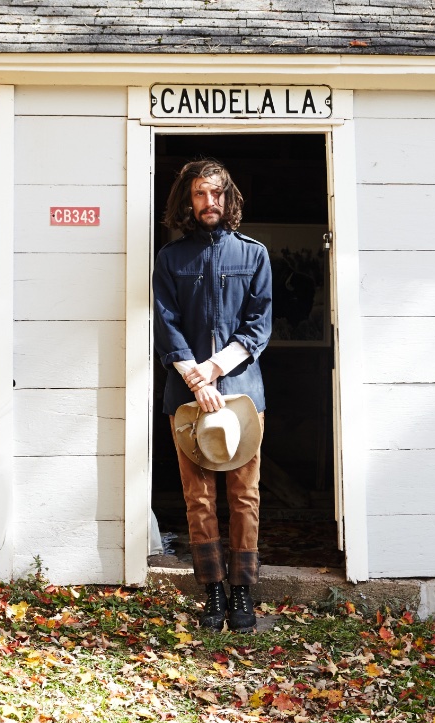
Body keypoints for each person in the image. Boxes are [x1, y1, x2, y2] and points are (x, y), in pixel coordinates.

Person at [153, 159, 272, 633]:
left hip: (243, 395)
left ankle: (242, 588)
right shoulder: (171, 258)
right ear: (188, 199)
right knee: (198, 498)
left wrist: (216, 369)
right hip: (186, 397)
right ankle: (213, 590)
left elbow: (259, 325)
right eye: (201, 193)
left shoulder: (254, 254)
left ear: (229, 198)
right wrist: (197, 380)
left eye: (217, 193)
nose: (210, 202)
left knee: (244, 495)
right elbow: (165, 324)